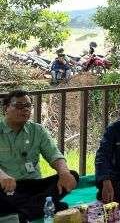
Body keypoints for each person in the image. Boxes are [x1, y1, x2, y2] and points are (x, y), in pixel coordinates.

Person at [0, 90, 79, 222]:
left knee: (72, 175)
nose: (25, 110)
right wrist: (2, 176)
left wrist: (64, 172)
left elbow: (54, 155)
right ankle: (45, 206)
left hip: (34, 185)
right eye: (19, 106)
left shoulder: (37, 130)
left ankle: (21, 215)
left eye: (28, 106)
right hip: (7, 187)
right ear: (6, 108)